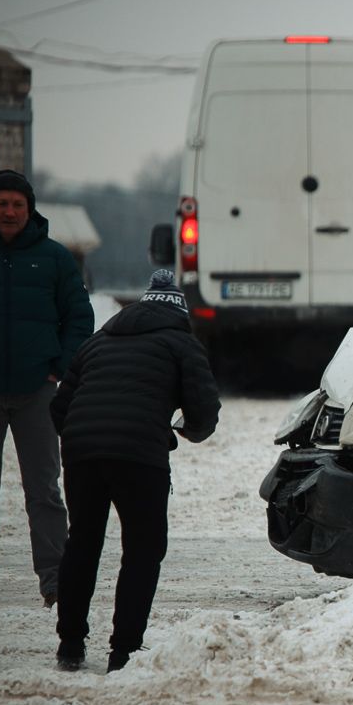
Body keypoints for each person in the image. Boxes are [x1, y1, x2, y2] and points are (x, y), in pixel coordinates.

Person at [51, 269, 220, 672]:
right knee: (142, 550)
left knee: (83, 543)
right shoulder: (182, 342)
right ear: (180, 312)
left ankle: (70, 644)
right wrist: (184, 431)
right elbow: (204, 410)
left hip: (82, 451)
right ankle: (123, 651)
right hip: (139, 457)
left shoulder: (97, 342)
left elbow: (60, 409)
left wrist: (87, 436)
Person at [0, 169, 93, 605]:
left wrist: (61, 368)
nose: (9, 211)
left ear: (29, 209)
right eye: (1, 203)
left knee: (45, 490)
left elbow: (79, 318)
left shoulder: (54, 258)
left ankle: (54, 578)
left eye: (17, 203)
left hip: (38, 390)